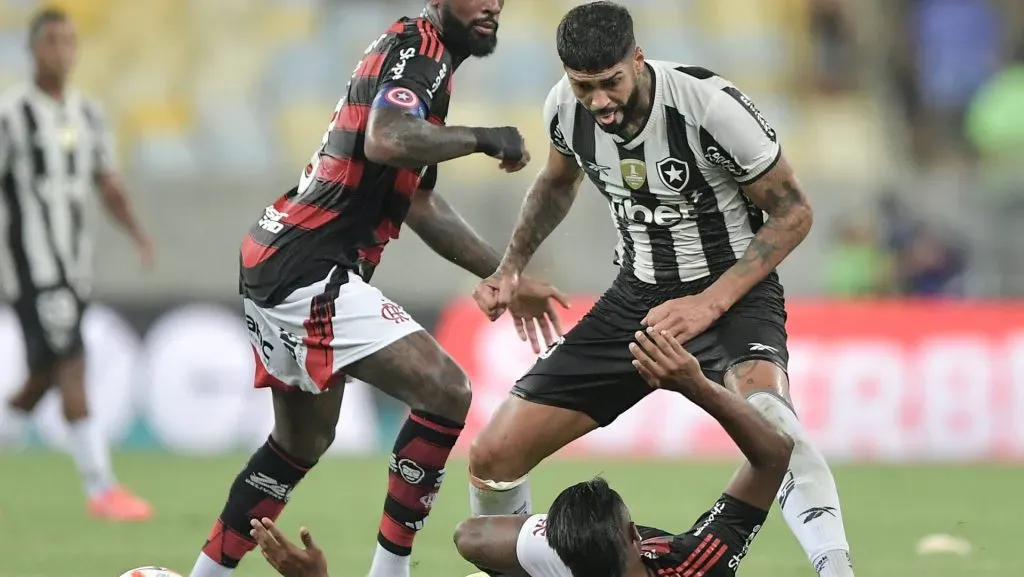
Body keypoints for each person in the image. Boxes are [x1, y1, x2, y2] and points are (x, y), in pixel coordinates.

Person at [469, 3, 855, 576]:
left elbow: (794, 212)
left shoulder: (708, 107)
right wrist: (511, 266)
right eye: (583, 86)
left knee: (774, 425)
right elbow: (554, 184)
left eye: (610, 82)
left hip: (731, 299)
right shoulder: (564, 110)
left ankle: (836, 567)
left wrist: (710, 303)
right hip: (635, 300)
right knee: (494, 455)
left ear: (638, 60)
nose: (598, 100)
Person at [186, 2, 567, 577]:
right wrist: (484, 137)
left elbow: (416, 200)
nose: (491, 3)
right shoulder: (421, 54)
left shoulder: (415, 53)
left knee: (300, 443)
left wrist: (502, 274)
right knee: (445, 389)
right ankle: (390, 572)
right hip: (308, 263)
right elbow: (385, 139)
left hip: (278, 256)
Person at [246, 328, 795, 577]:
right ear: (633, 536)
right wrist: (696, 384)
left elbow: (472, 538)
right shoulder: (692, 565)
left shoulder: (567, 560)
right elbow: (773, 455)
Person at [0, 8, 154, 521]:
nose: (63, 51)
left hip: (75, 266)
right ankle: (102, 489)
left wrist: (136, 233)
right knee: (72, 364)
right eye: (52, 42)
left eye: (70, 42)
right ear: (33, 49)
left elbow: (106, 181)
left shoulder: (88, 114)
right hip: (32, 266)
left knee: (43, 372)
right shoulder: (11, 115)